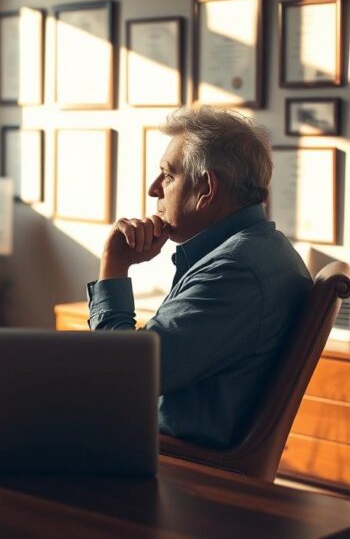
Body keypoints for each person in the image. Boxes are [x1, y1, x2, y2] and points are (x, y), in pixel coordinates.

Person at [87, 106, 312, 448]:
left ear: (206, 188)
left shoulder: (235, 272)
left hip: (170, 462)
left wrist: (114, 265)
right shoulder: (265, 250)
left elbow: (124, 374)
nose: (153, 190)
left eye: (168, 175)